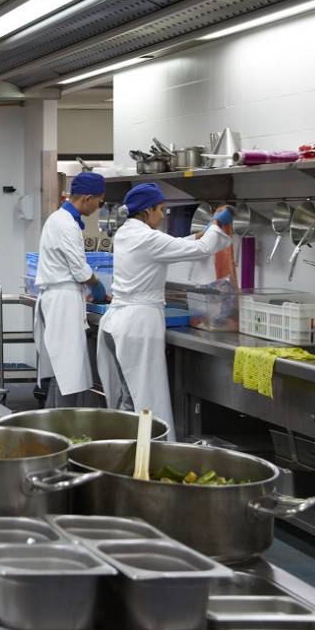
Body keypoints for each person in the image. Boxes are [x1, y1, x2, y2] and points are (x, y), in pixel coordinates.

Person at [96, 183, 232, 440]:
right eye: (160, 209)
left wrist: (201, 234)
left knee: (130, 398)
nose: (162, 215)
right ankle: (144, 454)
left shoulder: (127, 232)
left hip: (118, 324)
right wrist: (216, 224)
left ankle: (125, 451)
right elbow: (201, 251)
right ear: (147, 211)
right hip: (136, 327)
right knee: (144, 400)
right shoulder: (147, 238)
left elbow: (173, 245)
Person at [33, 171, 107, 407]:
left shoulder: (58, 219)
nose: (98, 207)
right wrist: (97, 286)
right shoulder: (67, 225)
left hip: (56, 298)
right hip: (62, 303)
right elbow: (80, 270)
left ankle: (53, 423)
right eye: (99, 202)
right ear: (87, 198)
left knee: (61, 372)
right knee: (69, 373)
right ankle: (64, 425)